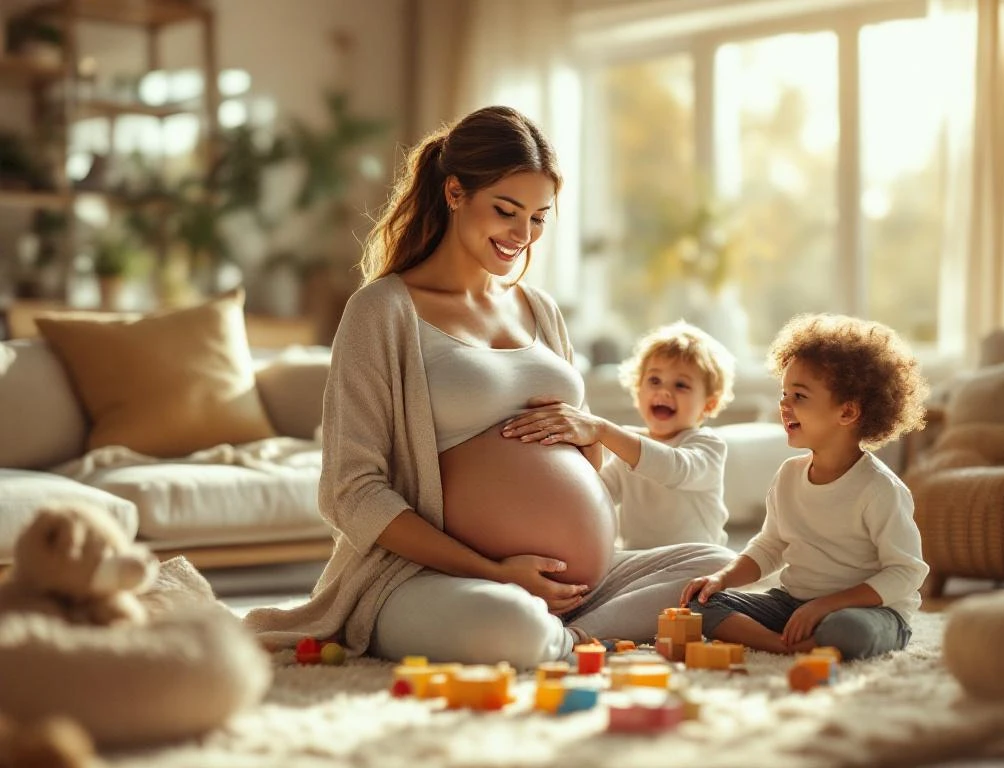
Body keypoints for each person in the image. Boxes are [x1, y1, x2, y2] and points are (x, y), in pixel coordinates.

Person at [244, 105, 734, 669]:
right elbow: (349, 491)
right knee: (509, 628)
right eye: (506, 211)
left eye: (538, 218)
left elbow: (585, 465)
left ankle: (571, 628)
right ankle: (565, 633)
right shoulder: (382, 311)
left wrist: (587, 433)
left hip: (577, 583)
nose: (521, 236)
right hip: (432, 579)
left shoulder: (540, 310)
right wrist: (495, 572)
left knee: (717, 564)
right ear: (455, 193)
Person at [680, 313, 930, 661]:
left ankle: (807, 639)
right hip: (793, 604)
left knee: (847, 631)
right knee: (697, 605)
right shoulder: (788, 476)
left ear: (847, 412)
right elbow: (770, 547)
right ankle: (786, 645)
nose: (783, 405)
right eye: (784, 393)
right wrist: (721, 578)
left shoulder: (879, 489)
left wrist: (828, 605)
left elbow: (906, 572)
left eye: (798, 395)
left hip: (870, 612)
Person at [500, 319, 735, 549]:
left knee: (718, 562)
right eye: (654, 380)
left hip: (695, 559)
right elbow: (596, 496)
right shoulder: (627, 447)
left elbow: (675, 469)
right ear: (637, 391)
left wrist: (601, 430)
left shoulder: (709, 445)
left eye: (681, 385)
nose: (664, 391)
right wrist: (590, 448)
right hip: (640, 560)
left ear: (709, 405)